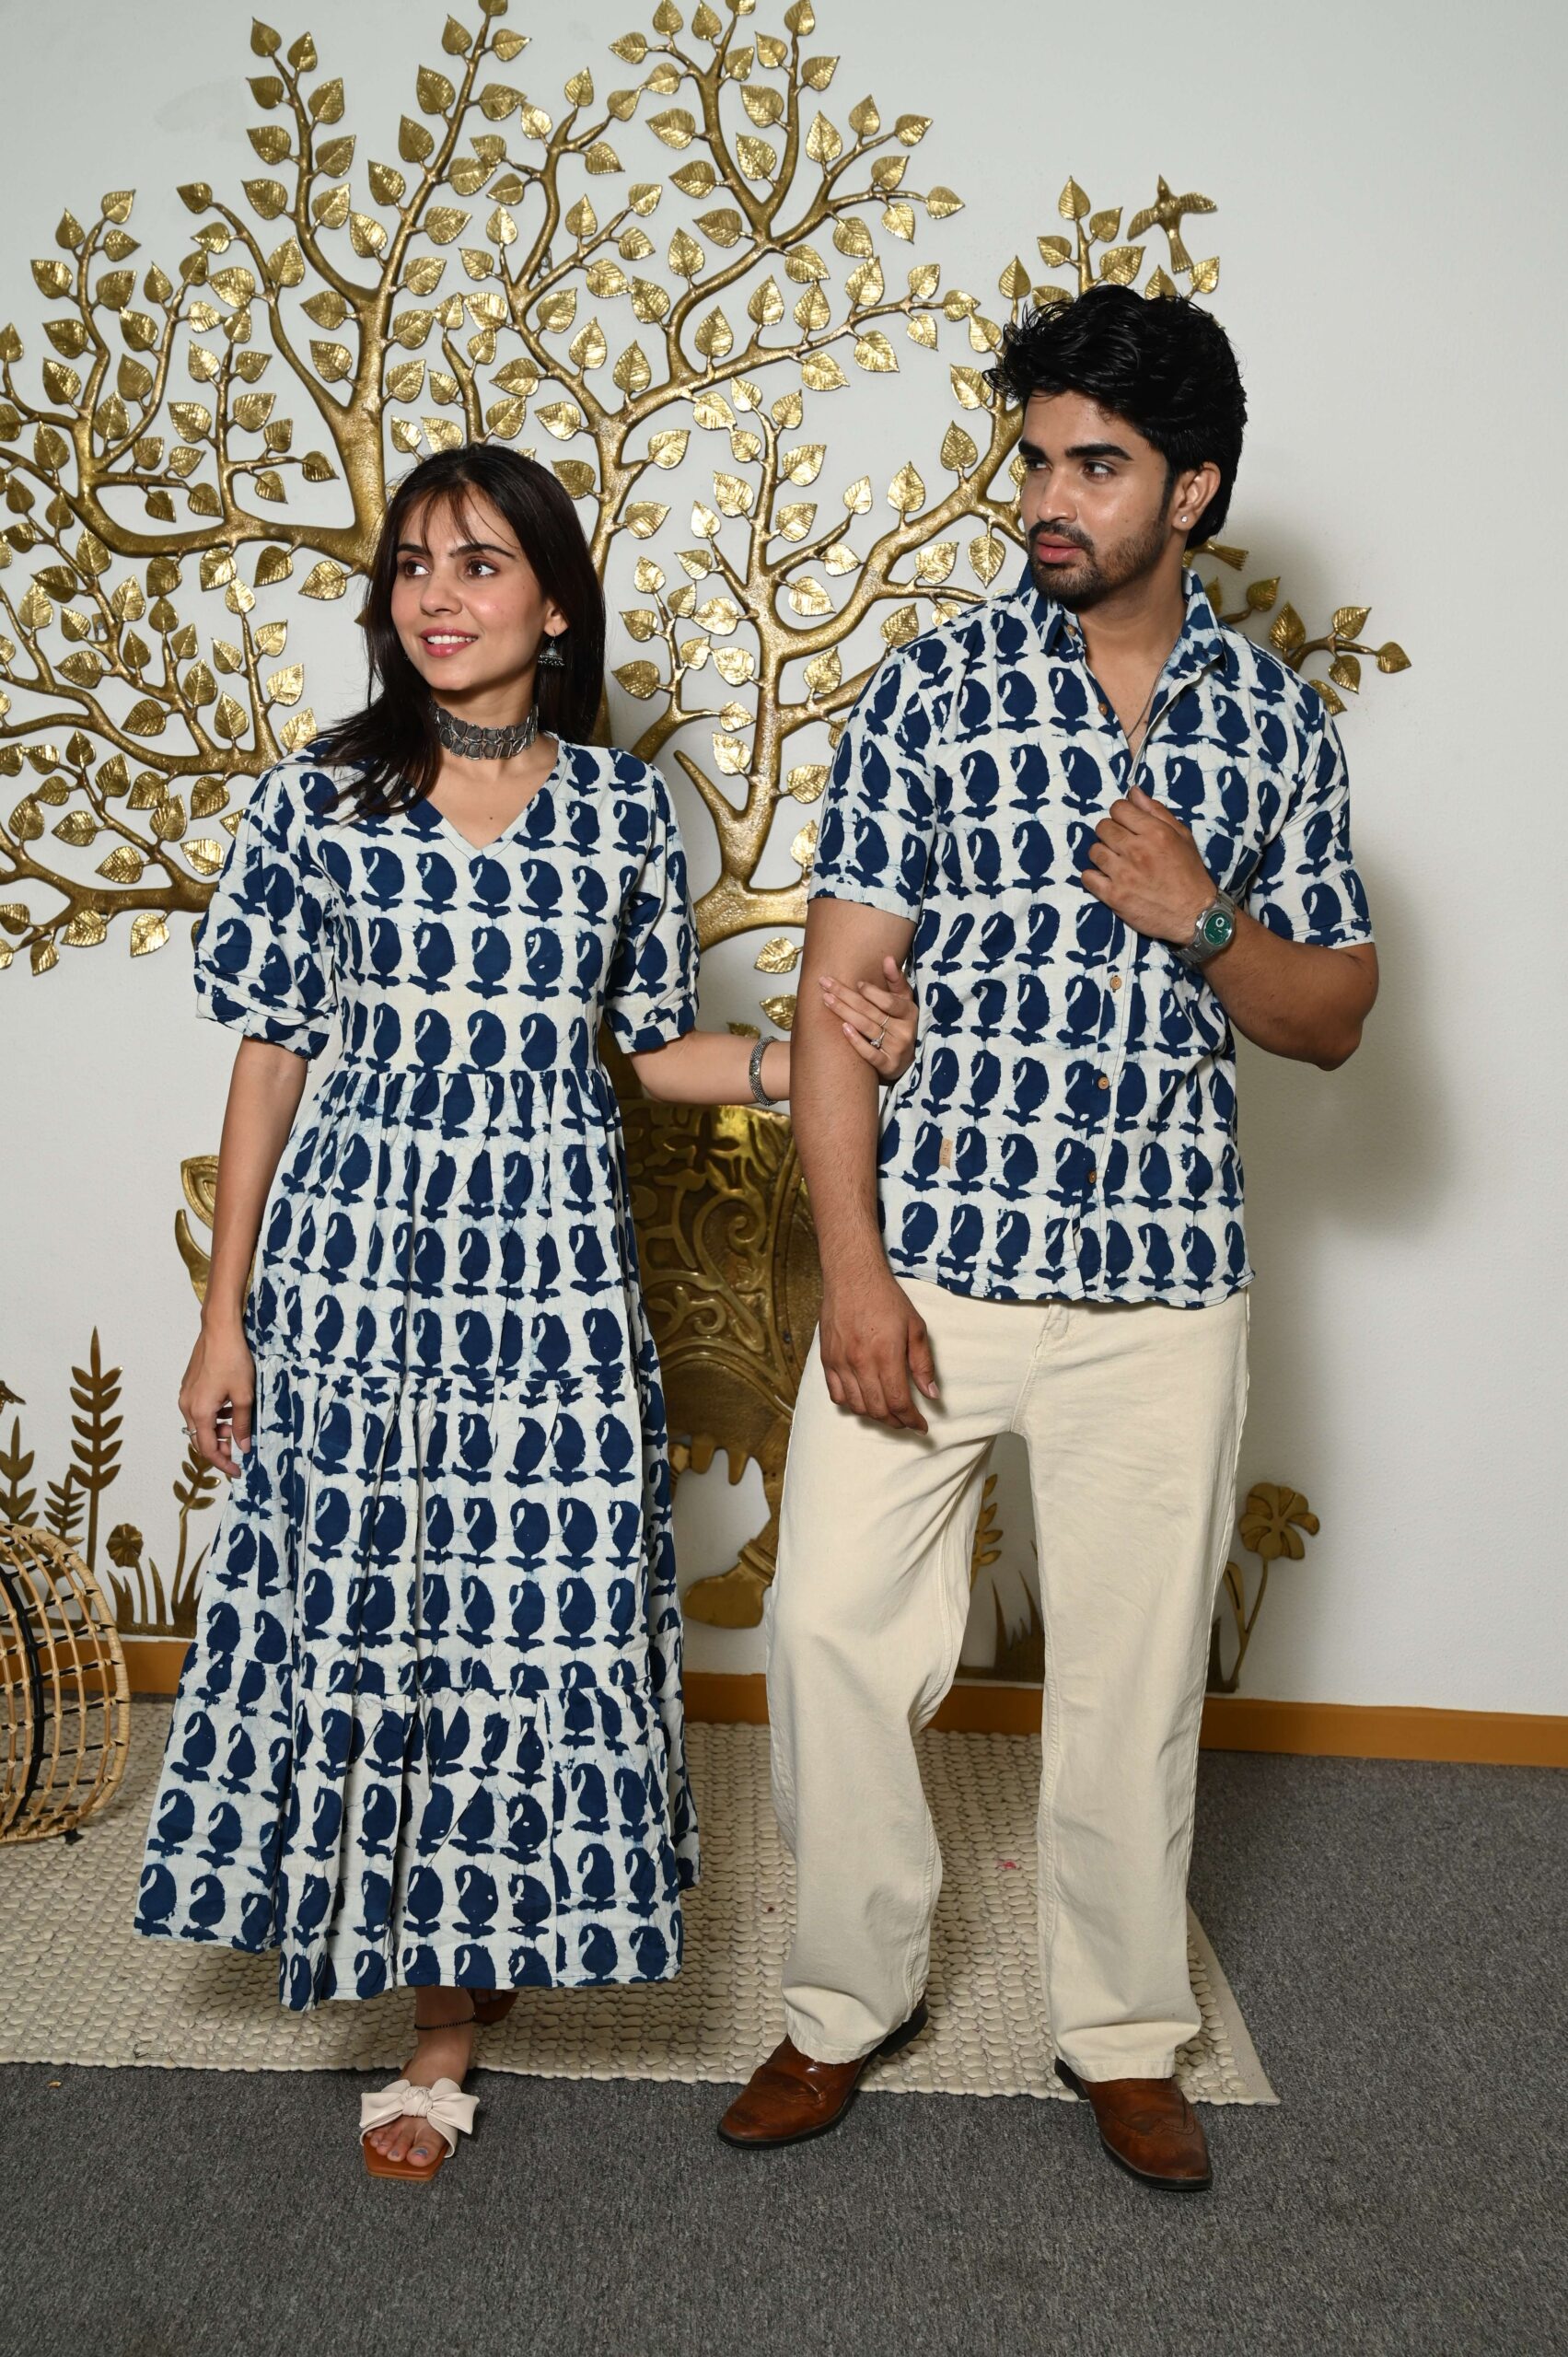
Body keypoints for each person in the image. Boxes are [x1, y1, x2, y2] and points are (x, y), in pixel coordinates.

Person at [133, 444, 919, 2182]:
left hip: (551, 1283)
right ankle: (431, 2027)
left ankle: (481, 1955)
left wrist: (806, 1061)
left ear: (555, 605)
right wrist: (223, 1314)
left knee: (525, 1625)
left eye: (479, 564)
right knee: (379, 1614)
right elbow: (270, 1060)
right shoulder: (317, 801)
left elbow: (657, 1051)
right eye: (413, 566)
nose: (437, 596)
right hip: (353, 1273)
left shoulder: (625, 812)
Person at [719, 286, 1378, 2190]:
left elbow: (1335, 1011)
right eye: (1036, 460)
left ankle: (1123, 2033)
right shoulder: (930, 690)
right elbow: (838, 996)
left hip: (1164, 1283)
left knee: (1133, 1677)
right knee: (831, 1630)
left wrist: (1201, 916)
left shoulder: (1277, 722)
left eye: (1096, 464)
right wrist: (855, 1272)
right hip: (933, 1257)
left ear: (1195, 489)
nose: (1049, 498)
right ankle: (846, 1998)